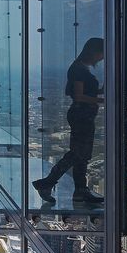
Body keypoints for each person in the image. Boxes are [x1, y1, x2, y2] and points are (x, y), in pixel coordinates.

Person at [33, 37, 105, 204]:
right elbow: (78, 95)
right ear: (93, 51)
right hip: (81, 116)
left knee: (82, 155)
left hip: (83, 116)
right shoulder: (79, 69)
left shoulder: (80, 68)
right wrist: (101, 100)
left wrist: (100, 92)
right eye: (101, 53)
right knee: (77, 154)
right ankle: (47, 183)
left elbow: (84, 92)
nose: (101, 58)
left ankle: (80, 191)